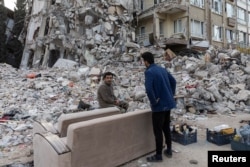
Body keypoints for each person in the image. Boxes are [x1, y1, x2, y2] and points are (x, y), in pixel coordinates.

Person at [141, 52, 176, 162]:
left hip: (159, 106)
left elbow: (149, 89)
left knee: (157, 130)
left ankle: (158, 155)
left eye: (143, 61)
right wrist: (171, 94)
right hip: (168, 103)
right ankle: (169, 149)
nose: (143, 63)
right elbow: (173, 81)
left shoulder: (149, 72)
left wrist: (154, 101)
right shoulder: (161, 69)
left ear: (146, 61)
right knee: (166, 127)